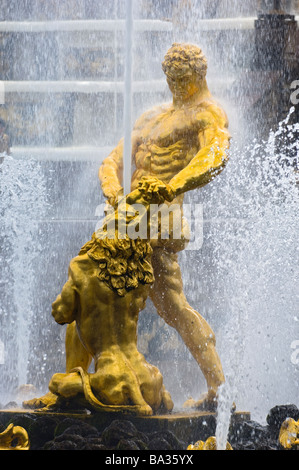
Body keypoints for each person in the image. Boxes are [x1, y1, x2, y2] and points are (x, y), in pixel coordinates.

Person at [66, 43, 231, 410]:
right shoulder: (151, 116)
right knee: (171, 306)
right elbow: (115, 158)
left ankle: (78, 375)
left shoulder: (208, 114)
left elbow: (214, 156)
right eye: (169, 77)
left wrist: (170, 187)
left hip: (161, 218)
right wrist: (112, 187)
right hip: (129, 215)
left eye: (182, 78)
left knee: (93, 280)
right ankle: (219, 389)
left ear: (199, 76)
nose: (174, 84)